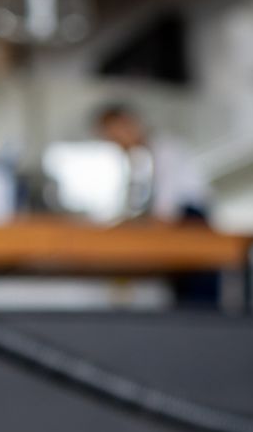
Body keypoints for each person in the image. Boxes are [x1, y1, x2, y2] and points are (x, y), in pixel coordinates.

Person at [94, 103, 221, 307]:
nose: (117, 144)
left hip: (192, 224)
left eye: (115, 136)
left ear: (128, 124)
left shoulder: (166, 150)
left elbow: (166, 213)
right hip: (181, 225)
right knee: (182, 295)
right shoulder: (145, 159)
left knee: (198, 298)